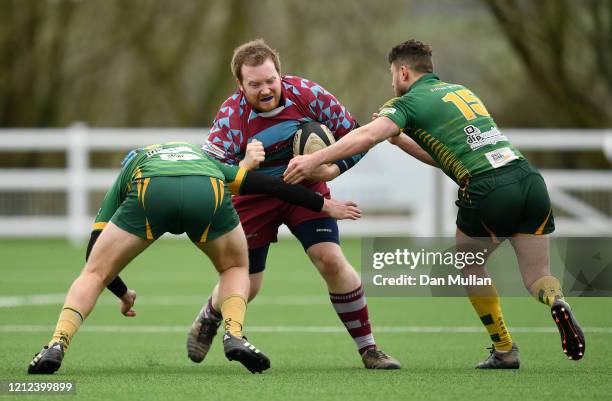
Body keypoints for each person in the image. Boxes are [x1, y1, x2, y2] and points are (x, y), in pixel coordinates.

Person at [284, 39, 585, 369]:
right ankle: (556, 301)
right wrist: (400, 141)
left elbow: (366, 136)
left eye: (392, 75)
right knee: (538, 275)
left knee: (468, 261)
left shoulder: (407, 102)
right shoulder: (461, 92)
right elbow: (447, 158)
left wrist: (315, 161)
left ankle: (504, 349)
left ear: (402, 71)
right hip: (528, 180)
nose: (392, 83)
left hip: (488, 188)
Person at [27, 141, 361, 375]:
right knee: (235, 267)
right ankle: (234, 334)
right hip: (207, 189)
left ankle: (57, 343)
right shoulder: (203, 159)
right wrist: (322, 205)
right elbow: (269, 184)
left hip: (151, 191)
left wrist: (123, 293)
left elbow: (93, 248)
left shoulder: (133, 165)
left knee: (93, 273)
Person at [187, 39, 400, 369]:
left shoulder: (308, 95)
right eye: (255, 84)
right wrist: (244, 165)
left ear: (280, 75)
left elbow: (358, 137)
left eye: (270, 80)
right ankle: (211, 314)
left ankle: (369, 349)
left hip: (306, 188)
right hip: (252, 197)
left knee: (329, 259)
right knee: (249, 283)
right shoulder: (231, 116)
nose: (266, 89)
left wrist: (329, 168)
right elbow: (210, 171)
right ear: (240, 85)